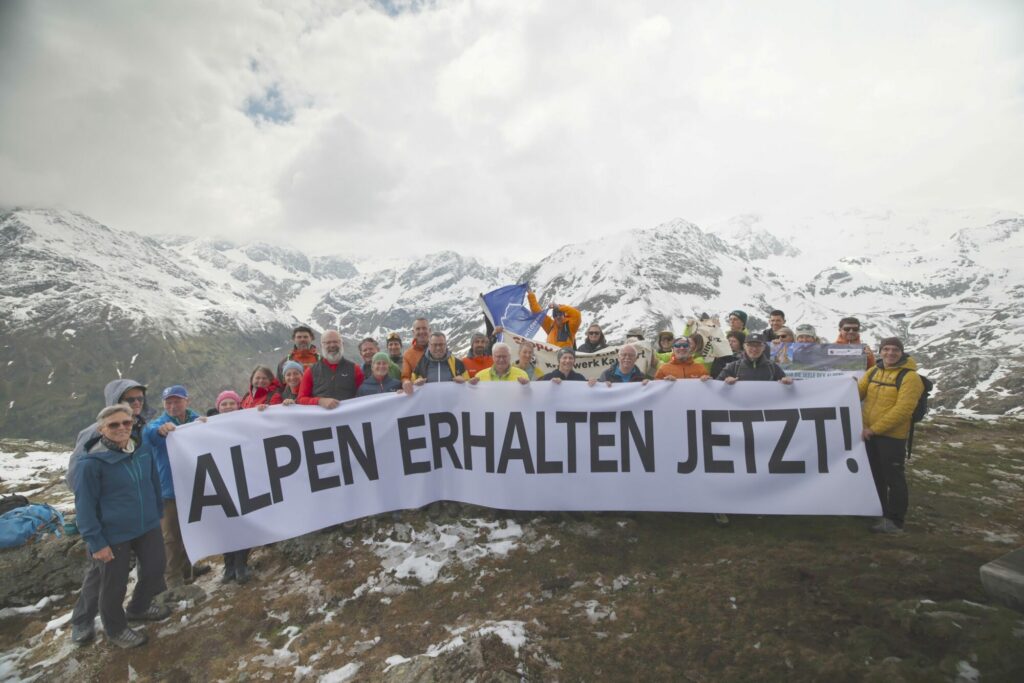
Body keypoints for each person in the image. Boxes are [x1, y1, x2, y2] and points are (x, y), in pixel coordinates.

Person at [71, 404, 169, 648]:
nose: (121, 428)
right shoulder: (90, 463)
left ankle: (138, 607)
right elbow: (84, 507)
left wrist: (157, 512)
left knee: (156, 567)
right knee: (113, 585)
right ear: (102, 429)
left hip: (147, 524)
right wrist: (96, 542)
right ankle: (115, 629)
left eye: (126, 423)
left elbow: (153, 482)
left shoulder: (142, 450)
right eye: (113, 425)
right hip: (113, 532)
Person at [143, 385, 209, 587]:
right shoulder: (159, 425)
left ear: (186, 401)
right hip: (169, 490)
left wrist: (209, 425)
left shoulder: (196, 420)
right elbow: (149, 435)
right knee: (171, 537)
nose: (172, 406)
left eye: (177, 401)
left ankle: (188, 568)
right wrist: (161, 431)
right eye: (168, 402)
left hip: (193, 487)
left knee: (190, 530)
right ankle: (173, 579)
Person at [858, 337, 925, 534]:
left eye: (895, 350)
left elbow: (903, 410)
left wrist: (874, 429)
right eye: (886, 349)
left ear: (902, 352)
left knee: (893, 478)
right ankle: (878, 512)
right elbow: (856, 393)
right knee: (874, 474)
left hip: (891, 437)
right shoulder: (874, 371)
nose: (890, 353)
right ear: (880, 352)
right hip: (869, 433)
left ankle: (895, 520)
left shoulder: (911, 377)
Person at [297, 330, 364, 408]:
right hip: (322, 419)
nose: (332, 345)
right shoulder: (311, 371)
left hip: (348, 418)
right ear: (322, 345)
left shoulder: (355, 369)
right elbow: (301, 399)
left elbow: (363, 396)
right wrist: (319, 401)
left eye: (336, 342)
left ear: (342, 344)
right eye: (328, 343)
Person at [716, 333, 793, 384]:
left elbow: (787, 385)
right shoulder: (733, 367)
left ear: (763, 348)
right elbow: (716, 387)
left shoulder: (773, 367)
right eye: (750, 345)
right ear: (744, 347)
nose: (754, 349)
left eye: (758, 345)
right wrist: (724, 383)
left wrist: (787, 382)